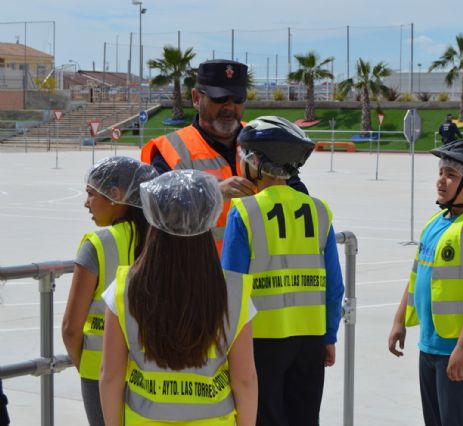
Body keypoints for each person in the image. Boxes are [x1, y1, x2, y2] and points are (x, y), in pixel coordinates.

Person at [100, 169, 258, 426]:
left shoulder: (124, 288)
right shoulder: (234, 291)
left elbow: (110, 375)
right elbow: (245, 379)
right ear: (209, 217)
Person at [221, 116, 344, 426]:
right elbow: (334, 285)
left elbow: (231, 289)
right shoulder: (319, 210)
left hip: (260, 342)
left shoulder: (245, 211)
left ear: (258, 161)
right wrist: (329, 335)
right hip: (310, 340)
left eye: (244, 154)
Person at [388, 140, 463, 426]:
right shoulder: (435, 223)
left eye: (452, 174)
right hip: (432, 343)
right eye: (441, 172)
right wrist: (399, 321)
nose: (442, 180)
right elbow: (416, 276)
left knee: (459, 421)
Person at [141, 59, 307, 253]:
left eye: (237, 99)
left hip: (260, 276)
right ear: (196, 98)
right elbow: (155, 209)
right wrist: (214, 193)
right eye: (219, 98)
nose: (229, 107)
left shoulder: (264, 140)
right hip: (202, 276)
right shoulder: (170, 149)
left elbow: (300, 198)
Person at [61, 156, 157, 426]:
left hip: (101, 370)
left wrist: (87, 368)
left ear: (116, 196)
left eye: (91, 194)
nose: (86, 203)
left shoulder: (98, 244)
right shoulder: (162, 238)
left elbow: (71, 327)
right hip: (152, 368)